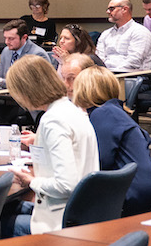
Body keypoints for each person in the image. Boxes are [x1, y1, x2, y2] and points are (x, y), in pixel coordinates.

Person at [8, 56, 99, 236]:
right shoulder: (74, 110)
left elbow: (66, 184)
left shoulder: (53, 120)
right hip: (83, 210)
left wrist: (31, 181)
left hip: (61, 220)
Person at [72, 65, 151, 216]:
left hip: (128, 197)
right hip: (139, 193)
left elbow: (98, 162)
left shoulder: (103, 114)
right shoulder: (113, 110)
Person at [0, 19, 53, 88]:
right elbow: (2, 79)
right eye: (5, 38)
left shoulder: (37, 54)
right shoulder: (6, 51)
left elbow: (32, 85)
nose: (6, 42)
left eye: (11, 38)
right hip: (7, 96)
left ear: (24, 37)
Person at [96, 0, 151, 71]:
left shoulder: (140, 32)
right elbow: (99, 58)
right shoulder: (106, 34)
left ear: (124, 9)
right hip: (107, 75)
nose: (108, 12)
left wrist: (112, 74)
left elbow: (134, 62)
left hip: (131, 76)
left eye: (111, 9)